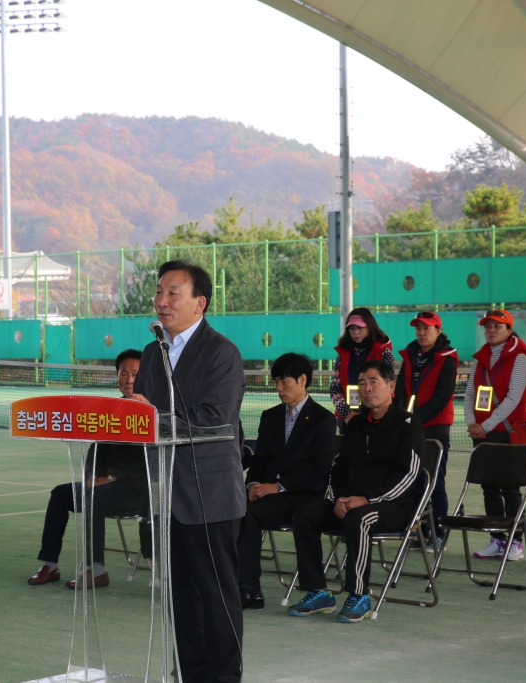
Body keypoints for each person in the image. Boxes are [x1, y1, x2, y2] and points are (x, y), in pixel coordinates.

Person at [131, 260, 246, 683]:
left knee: (217, 597)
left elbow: (213, 419)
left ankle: (224, 677)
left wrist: (153, 416)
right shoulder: (152, 352)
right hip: (167, 494)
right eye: (159, 292)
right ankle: (189, 674)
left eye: (172, 293)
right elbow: (142, 414)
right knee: (180, 596)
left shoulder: (222, 353)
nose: (162, 301)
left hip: (210, 494)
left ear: (200, 303)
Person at [287, 360, 424, 624]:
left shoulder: (408, 423)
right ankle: (318, 591)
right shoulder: (358, 424)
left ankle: (359, 595)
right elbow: (339, 466)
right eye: (362, 383)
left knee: (358, 519)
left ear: (391, 386)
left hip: (394, 506)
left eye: (373, 382)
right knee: (304, 515)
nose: (367, 388)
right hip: (351, 502)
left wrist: (367, 499)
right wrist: (339, 498)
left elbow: (409, 474)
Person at [27, 349, 152, 589]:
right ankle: (50, 565)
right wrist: (91, 476)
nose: (129, 379)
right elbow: (97, 450)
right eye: (123, 373)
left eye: (135, 374)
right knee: (60, 494)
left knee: (93, 496)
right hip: (107, 488)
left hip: (140, 493)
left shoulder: (154, 412)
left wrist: (111, 478)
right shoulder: (112, 409)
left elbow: (148, 463)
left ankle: (97, 571)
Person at [238, 352, 337, 610]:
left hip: (307, 495)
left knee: (304, 516)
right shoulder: (270, 417)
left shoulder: (324, 420)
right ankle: (247, 589)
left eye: (285, 382)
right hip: (274, 497)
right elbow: (260, 460)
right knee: (242, 511)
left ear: (303, 380)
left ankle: (314, 590)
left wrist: (279, 486)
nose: (279, 388)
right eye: (276, 382)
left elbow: (319, 471)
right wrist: (252, 485)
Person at [464, 308, 526, 562]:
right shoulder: (479, 360)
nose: (491, 330)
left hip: (509, 433)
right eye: (488, 326)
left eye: (497, 326)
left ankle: (515, 542)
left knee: (511, 489)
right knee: (489, 489)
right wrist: (472, 423)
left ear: (509, 330)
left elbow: (513, 399)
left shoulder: (520, 358)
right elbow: (469, 395)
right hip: (483, 434)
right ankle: (497, 539)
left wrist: (486, 425)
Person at [394, 310, 457, 546]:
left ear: (438, 331)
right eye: (418, 328)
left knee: (435, 483)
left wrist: (415, 420)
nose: (421, 333)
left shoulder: (447, 359)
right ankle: (420, 532)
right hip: (411, 428)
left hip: (435, 429)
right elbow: (400, 391)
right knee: (413, 482)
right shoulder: (411, 355)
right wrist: (401, 417)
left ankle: (438, 534)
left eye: (426, 328)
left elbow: (442, 396)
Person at [330, 308, 394, 428]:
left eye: (360, 328)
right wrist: (348, 414)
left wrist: (373, 414)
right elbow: (334, 388)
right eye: (352, 328)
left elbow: (387, 387)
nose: (355, 332)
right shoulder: (342, 354)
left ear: (370, 327)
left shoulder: (383, 352)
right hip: (347, 419)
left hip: (378, 417)